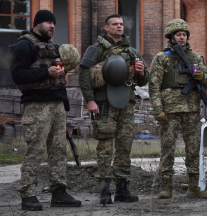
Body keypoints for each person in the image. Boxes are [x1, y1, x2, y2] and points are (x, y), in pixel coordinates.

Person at [10, 10, 81, 211]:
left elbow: (60, 81)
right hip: (36, 105)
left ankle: (59, 192)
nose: (52, 26)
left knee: (59, 150)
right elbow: (17, 75)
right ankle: (28, 194)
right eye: (48, 22)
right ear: (38, 23)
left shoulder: (54, 48)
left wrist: (65, 106)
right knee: (36, 150)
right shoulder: (24, 45)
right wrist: (45, 72)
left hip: (57, 105)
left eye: (54, 23)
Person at [78, 14, 149, 204]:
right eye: (114, 24)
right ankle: (104, 191)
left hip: (127, 103)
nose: (119, 27)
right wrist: (90, 100)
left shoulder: (133, 51)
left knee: (125, 147)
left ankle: (122, 190)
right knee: (105, 147)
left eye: (121, 24)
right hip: (104, 104)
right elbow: (84, 74)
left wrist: (141, 71)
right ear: (106, 28)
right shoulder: (95, 50)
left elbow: (143, 80)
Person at [149, 19, 207, 199]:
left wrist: (202, 76)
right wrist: (157, 109)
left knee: (193, 148)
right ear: (171, 37)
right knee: (167, 147)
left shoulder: (195, 57)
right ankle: (166, 186)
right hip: (169, 110)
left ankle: (194, 186)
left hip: (191, 109)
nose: (182, 37)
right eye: (178, 34)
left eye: (184, 34)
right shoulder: (162, 57)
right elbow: (154, 85)